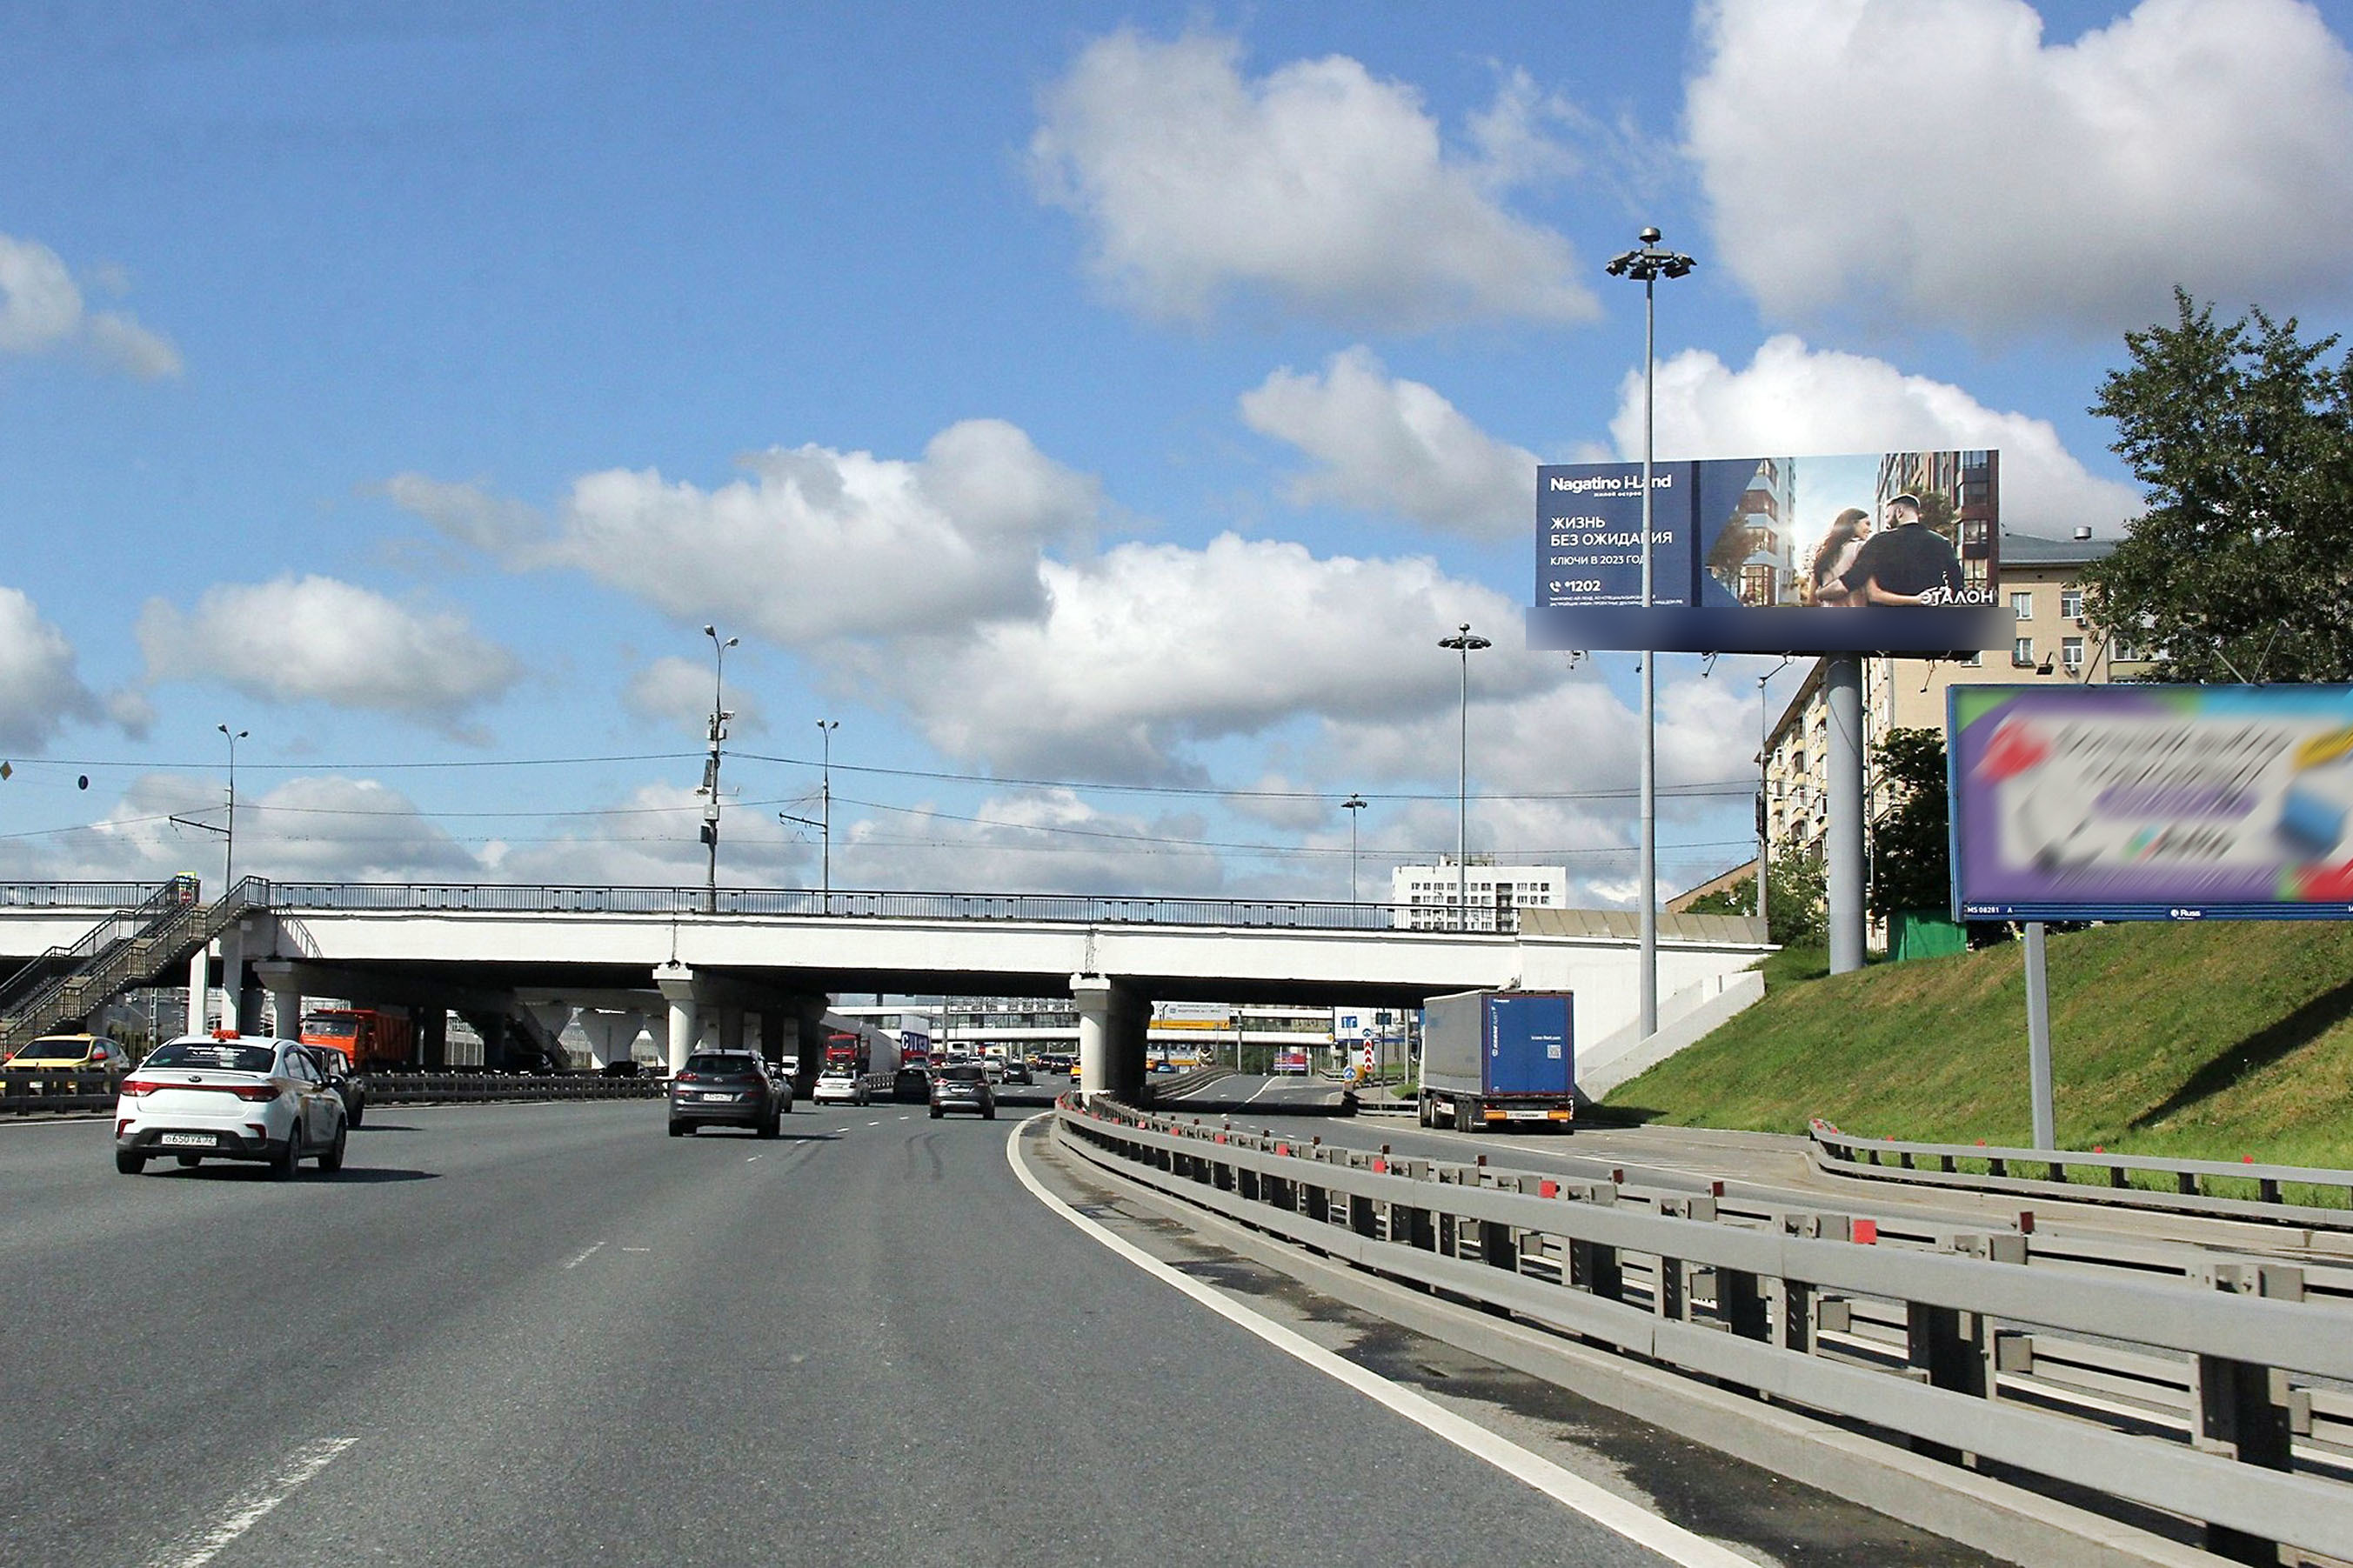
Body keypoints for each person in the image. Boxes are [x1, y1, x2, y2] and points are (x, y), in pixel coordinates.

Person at [1841, 491, 1964, 605]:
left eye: (1888, 516)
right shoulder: (1942, 542)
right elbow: (1957, 584)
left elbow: (1853, 579)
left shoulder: (1878, 541)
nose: (1887, 522)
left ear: (1899, 512)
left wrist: (1823, 592)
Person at [1805, 508, 1871, 606]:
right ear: (1853, 523)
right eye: (1867, 524)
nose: (1870, 530)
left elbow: (1811, 600)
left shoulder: (1824, 554)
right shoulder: (1860, 548)